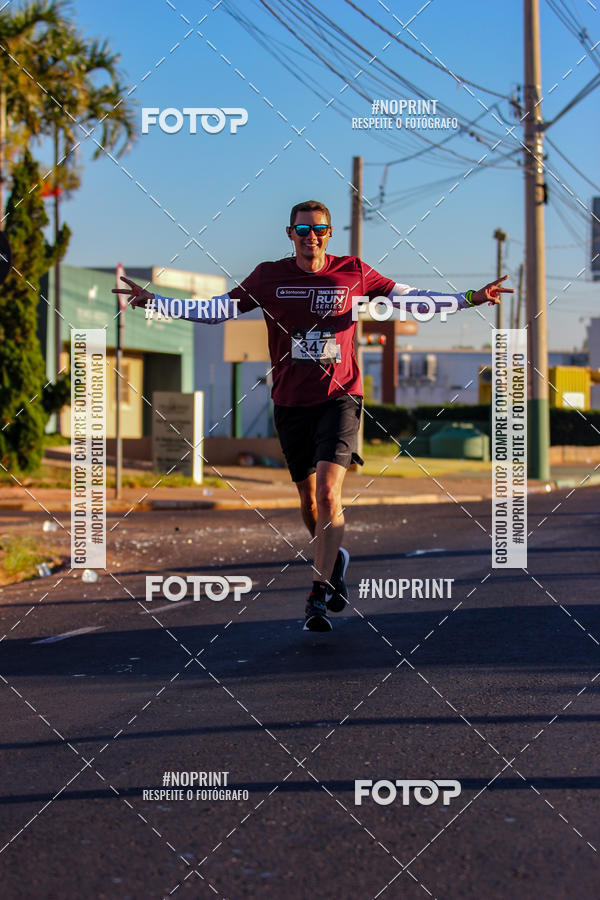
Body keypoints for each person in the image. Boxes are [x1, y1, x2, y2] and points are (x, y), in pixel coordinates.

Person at [114, 199, 512, 632]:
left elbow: (411, 300)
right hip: (290, 402)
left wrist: (469, 298)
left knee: (327, 495)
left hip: (340, 398)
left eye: (318, 230)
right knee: (308, 503)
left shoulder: (353, 272)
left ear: (329, 232)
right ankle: (335, 558)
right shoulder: (269, 276)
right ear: (290, 235)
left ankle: (317, 594)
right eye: (302, 231)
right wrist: (154, 302)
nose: (311, 237)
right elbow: (217, 311)